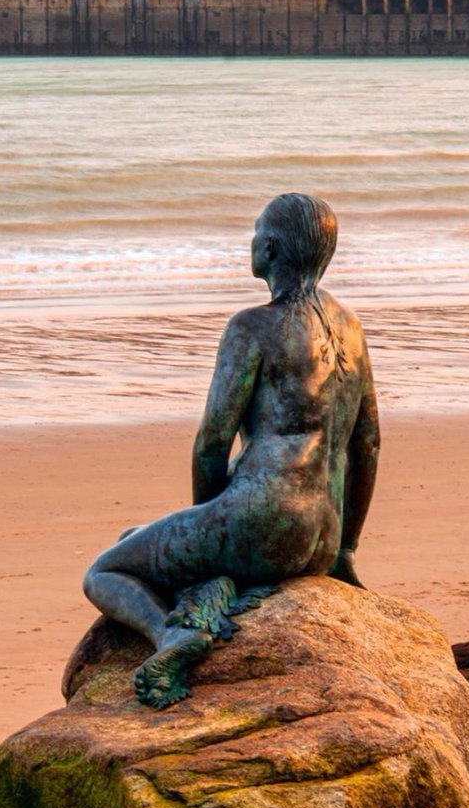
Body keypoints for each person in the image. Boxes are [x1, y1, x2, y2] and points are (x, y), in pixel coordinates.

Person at [83, 193, 380, 707]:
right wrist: (345, 549)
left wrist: (209, 518)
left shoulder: (252, 327)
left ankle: (172, 635)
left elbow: (213, 441)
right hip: (321, 537)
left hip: (260, 523)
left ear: (270, 247)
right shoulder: (349, 326)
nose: (252, 241)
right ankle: (211, 580)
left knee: (107, 571)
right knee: (137, 536)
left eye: (256, 232)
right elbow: (368, 443)